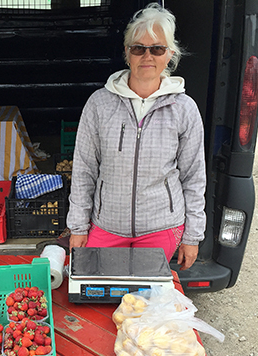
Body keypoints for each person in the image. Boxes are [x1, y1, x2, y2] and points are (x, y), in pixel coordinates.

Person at [66, 2, 206, 271]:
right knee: (101, 297)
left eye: (157, 49)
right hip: (106, 224)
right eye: (138, 48)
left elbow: (194, 176)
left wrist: (193, 235)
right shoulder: (99, 103)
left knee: (144, 303)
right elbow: (84, 170)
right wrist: (78, 226)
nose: (147, 56)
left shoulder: (184, 108)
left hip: (162, 227)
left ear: (170, 54)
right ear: (128, 53)